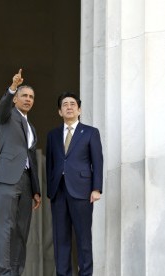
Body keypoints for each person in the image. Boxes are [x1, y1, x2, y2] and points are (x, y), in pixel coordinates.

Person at [0, 69, 41, 276]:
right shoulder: (6, 117)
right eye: (24, 95)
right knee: (5, 228)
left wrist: (36, 190)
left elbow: (32, 159)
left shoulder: (31, 127)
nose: (28, 99)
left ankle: (17, 272)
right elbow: (2, 108)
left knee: (21, 231)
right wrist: (12, 87)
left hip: (26, 181)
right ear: (15, 99)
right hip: (7, 178)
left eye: (31, 97)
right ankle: (5, 273)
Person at [45, 92, 103, 276]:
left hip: (82, 191)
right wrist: (50, 190)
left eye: (72, 104)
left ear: (79, 109)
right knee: (61, 238)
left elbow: (97, 161)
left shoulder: (91, 132)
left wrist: (96, 188)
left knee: (83, 238)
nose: (69, 107)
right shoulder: (52, 135)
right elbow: (50, 164)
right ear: (59, 112)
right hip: (59, 191)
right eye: (65, 105)